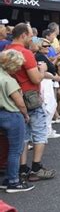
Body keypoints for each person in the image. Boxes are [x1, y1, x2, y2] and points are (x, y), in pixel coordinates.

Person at [6, 23, 56, 181]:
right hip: (31, 97)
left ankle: (22, 168)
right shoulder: (25, 53)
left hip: (13, 97)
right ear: (23, 35)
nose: (31, 38)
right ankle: (36, 167)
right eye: (30, 35)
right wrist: (42, 69)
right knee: (40, 132)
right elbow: (35, 78)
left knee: (23, 135)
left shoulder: (6, 51)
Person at [0, 50, 35, 192]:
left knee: (8, 148)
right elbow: (19, 102)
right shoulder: (9, 80)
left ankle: (8, 178)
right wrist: (25, 114)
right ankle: (13, 181)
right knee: (16, 149)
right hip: (12, 115)